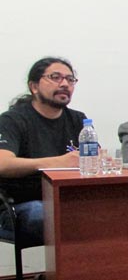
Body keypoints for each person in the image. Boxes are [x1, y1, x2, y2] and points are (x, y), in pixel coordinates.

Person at [0, 57, 86, 248]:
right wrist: (58, 162)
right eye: (55, 77)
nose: (64, 84)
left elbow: (90, 162)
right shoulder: (13, 120)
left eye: (70, 80)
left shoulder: (79, 120)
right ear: (34, 86)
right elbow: (3, 164)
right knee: (46, 215)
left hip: (67, 201)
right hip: (21, 205)